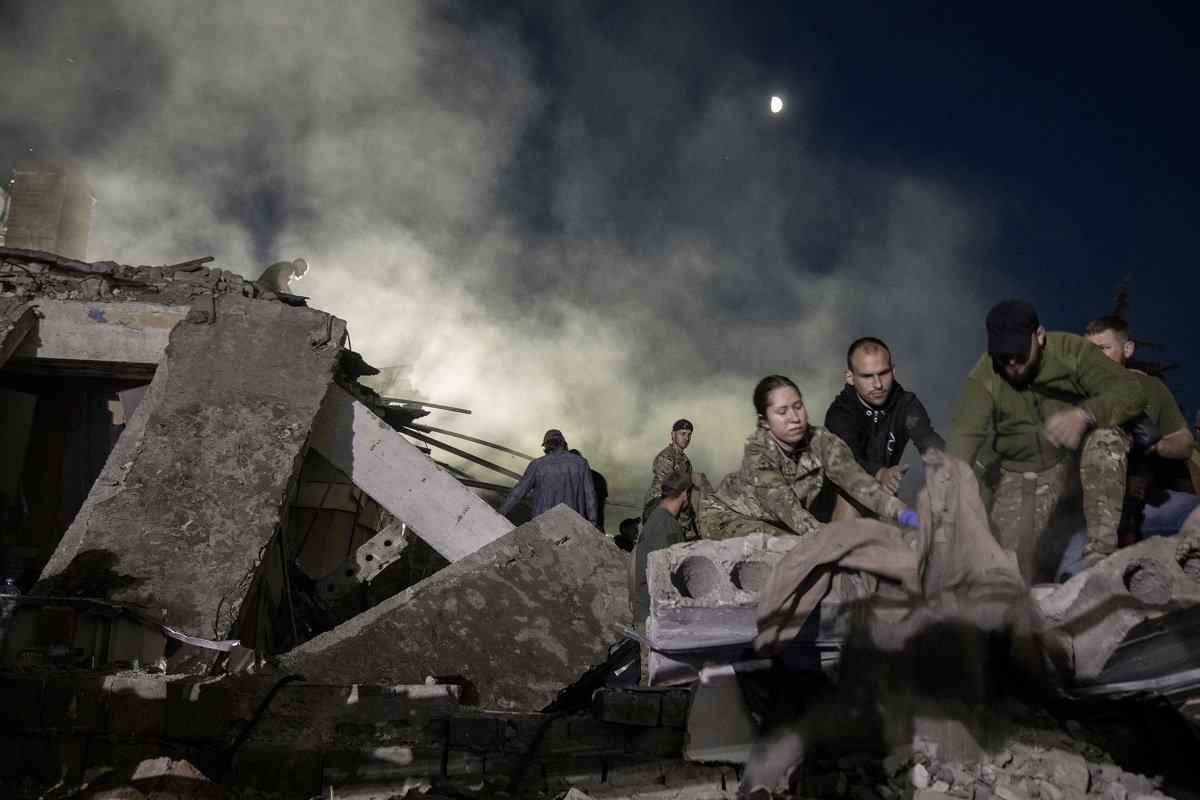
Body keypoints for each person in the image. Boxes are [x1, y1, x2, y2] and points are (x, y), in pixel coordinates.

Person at [945, 300, 1146, 581]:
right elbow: (963, 440)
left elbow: (1131, 392)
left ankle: (1099, 565)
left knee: (1106, 439)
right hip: (1027, 472)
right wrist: (945, 489)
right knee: (1001, 563)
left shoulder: (1072, 352)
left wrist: (1083, 415)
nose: (1011, 362)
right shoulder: (983, 378)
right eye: (1003, 355)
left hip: (1081, 458)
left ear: (1039, 336)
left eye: (1018, 352)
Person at [699, 375, 919, 541]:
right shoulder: (758, 453)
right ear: (764, 421)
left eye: (798, 407)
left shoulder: (821, 439)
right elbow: (787, 508)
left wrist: (904, 514)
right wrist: (831, 540)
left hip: (787, 517)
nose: (794, 418)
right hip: (729, 516)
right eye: (782, 412)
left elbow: (857, 481)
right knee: (784, 545)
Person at [1084, 315, 1200, 538]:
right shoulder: (1072, 389)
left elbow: (1185, 444)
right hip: (1087, 508)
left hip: (1146, 505)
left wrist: (1158, 444)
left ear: (1127, 349)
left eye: (1103, 348)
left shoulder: (1151, 387)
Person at [824, 337, 945, 515]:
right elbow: (848, 466)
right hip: (836, 504)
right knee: (849, 497)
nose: (878, 384)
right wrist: (880, 474)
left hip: (885, 492)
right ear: (850, 377)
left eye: (883, 373)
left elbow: (927, 439)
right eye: (867, 376)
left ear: (893, 371)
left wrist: (945, 464)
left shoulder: (905, 404)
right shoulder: (840, 414)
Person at [497, 429, 597, 525]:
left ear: (546, 445)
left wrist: (500, 514)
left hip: (544, 525)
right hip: (574, 525)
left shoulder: (537, 465)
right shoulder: (581, 463)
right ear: (563, 443)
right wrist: (592, 522)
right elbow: (590, 496)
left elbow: (518, 493)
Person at [630, 471, 692, 625]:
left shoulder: (655, 518)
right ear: (685, 494)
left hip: (647, 615)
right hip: (658, 620)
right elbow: (671, 576)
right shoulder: (667, 524)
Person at [644, 419, 697, 535]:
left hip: (680, 514)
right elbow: (668, 490)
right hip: (663, 511)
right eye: (682, 434)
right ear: (673, 435)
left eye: (689, 435)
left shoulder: (685, 461)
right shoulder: (666, 458)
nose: (686, 438)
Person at [570, 449, 608, 532]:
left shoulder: (572, 478)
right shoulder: (598, 477)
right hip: (597, 525)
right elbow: (603, 501)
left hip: (578, 525)